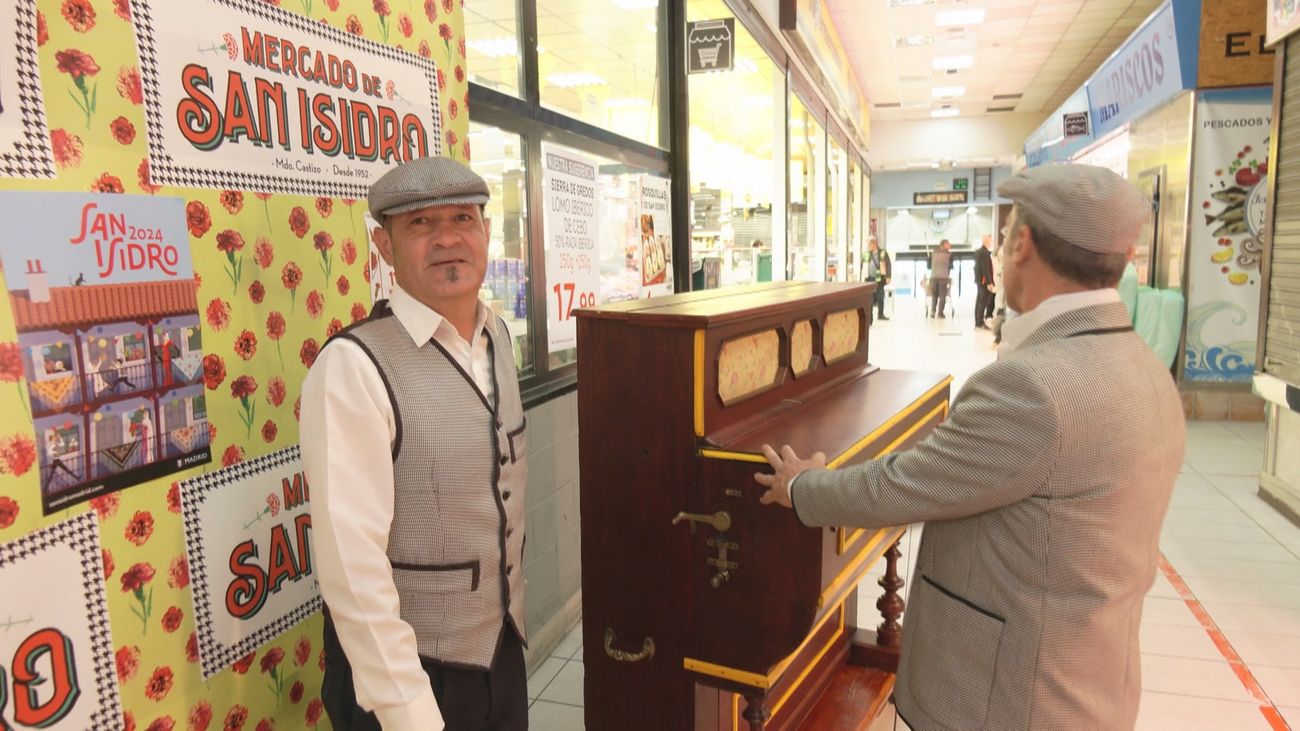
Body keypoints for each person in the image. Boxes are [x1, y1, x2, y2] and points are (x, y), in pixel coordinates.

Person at [752, 164, 1183, 730]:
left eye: (1005, 237)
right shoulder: (1145, 366)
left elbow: (903, 487)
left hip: (1012, 699)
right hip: (1090, 679)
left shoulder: (1034, 387)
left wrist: (801, 487)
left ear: (1021, 244)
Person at [301, 157, 528, 731]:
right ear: (384, 245)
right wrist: (410, 712)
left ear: (486, 232)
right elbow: (351, 568)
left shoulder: (498, 336)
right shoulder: (354, 365)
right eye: (420, 223)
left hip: (500, 653)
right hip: (409, 679)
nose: (447, 238)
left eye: (462, 219)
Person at [865, 237, 891, 322]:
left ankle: (880, 314)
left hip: (879, 279)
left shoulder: (882, 253)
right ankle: (870, 317)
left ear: (874, 244)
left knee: (880, 297)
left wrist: (888, 276)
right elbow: (862, 264)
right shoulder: (867, 254)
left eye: (869, 244)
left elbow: (888, 264)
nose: (868, 246)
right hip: (869, 279)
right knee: (870, 299)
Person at [973, 234, 994, 329]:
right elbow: (985, 268)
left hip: (979, 280)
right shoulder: (985, 253)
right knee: (983, 302)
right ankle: (979, 322)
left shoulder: (978, 252)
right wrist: (989, 282)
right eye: (990, 240)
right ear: (986, 241)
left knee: (979, 301)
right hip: (983, 281)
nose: (991, 242)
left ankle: (978, 321)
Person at [927, 239, 952, 318]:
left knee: (934, 295)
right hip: (943, 278)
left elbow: (928, 266)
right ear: (944, 245)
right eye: (948, 244)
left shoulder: (933, 253)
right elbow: (951, 266)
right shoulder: (949, 254)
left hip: (933, 277)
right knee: (942, 296)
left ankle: (932, 312)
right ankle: (940, 313)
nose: (950, 246)